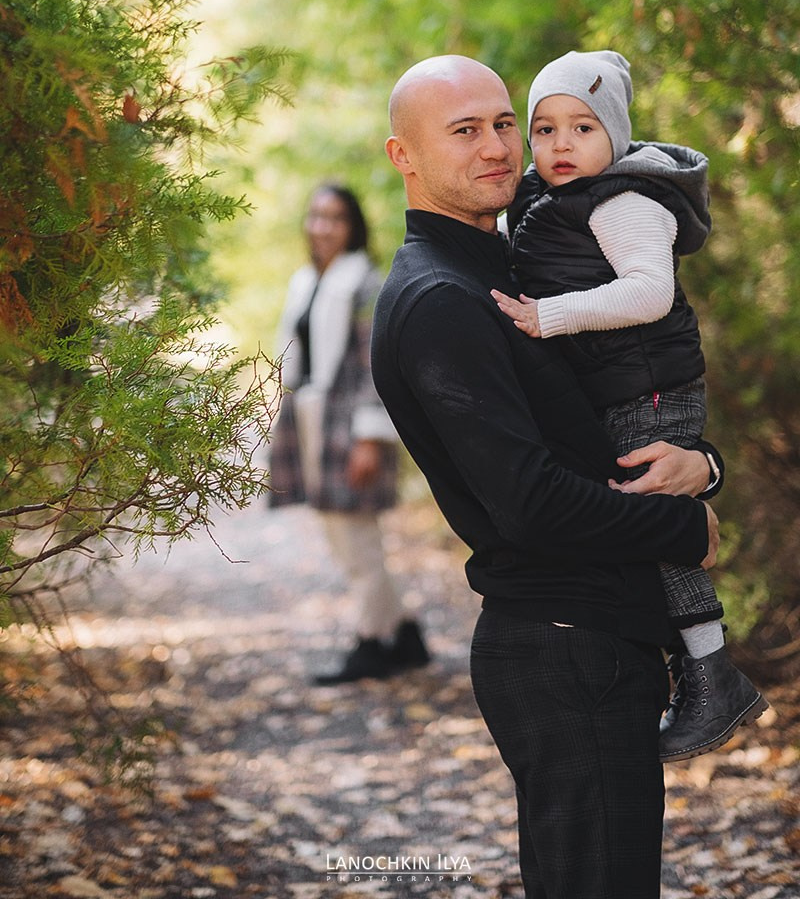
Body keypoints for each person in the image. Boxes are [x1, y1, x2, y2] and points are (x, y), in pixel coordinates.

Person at [370, 54, 723, 899]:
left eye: (502, 124)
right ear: (403, 157)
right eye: (464, 132)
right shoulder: (442, 299)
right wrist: (685, 528)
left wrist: (700, 468)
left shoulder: (515, 262)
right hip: (563, 642)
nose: (496, 148)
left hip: (597, 633)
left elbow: (617, 413)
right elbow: (527, 501)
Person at [490, 49, 767, 763]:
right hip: (617, 387)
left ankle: (713, 672)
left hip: (653, 389)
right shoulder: (548, 196)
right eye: (544, 129)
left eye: (581, 128)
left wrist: (547, 317)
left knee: (657, 522)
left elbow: (651, 292)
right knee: (636, 521)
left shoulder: (626, 199)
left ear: (614, 133)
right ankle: (688, 668)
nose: (559, 145)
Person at [268, 182, 429, 685]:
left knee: (357, 541)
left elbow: (372, 367)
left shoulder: (365, 283)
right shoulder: (307, 281)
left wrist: (369, 438)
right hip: (311, 418)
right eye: (316, 216)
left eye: (334, 217)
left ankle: (370, 642)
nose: (322, 226)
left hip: (350, 425)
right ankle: (404, 635)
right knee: (342, 539)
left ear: (352, 225)